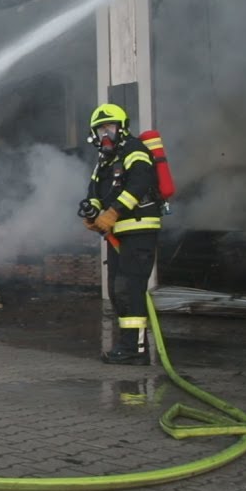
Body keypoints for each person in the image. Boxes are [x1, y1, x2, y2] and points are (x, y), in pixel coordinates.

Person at [81, 103, 161, 365]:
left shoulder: (134, 150)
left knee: (130, 288)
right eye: (101, 129)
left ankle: (135, 350)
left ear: (122, 128)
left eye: (110, 127)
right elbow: (94, 193)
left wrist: (114, 211)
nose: (106, 134)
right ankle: (129, 345)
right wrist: (92, 213)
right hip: (117, 235)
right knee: (117, 289)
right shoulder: (104, 161)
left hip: (139, 230)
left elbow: (140, 183)